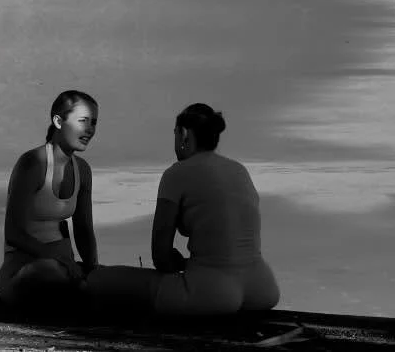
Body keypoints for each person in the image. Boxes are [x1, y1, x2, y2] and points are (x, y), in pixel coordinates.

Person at [85, 104, 279, 316]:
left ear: (184, 134)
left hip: (211, 293)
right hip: (262, 289)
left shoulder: (176, 174)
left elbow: (160, 257)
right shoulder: (239, 170)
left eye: (175, 134)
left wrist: (179, 262)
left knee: (99, 279)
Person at [0, 91, 100, 307]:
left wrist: (94, 270)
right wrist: (55, 259)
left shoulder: (83, 170)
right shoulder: (32, 163)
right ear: (58, 121)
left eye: (94, 122)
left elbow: (83, 230)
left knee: (111, 281)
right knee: (51, 272)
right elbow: (13, 233)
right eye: (83, 121)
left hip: (65, 268)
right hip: (26, 271)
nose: (89, 129)